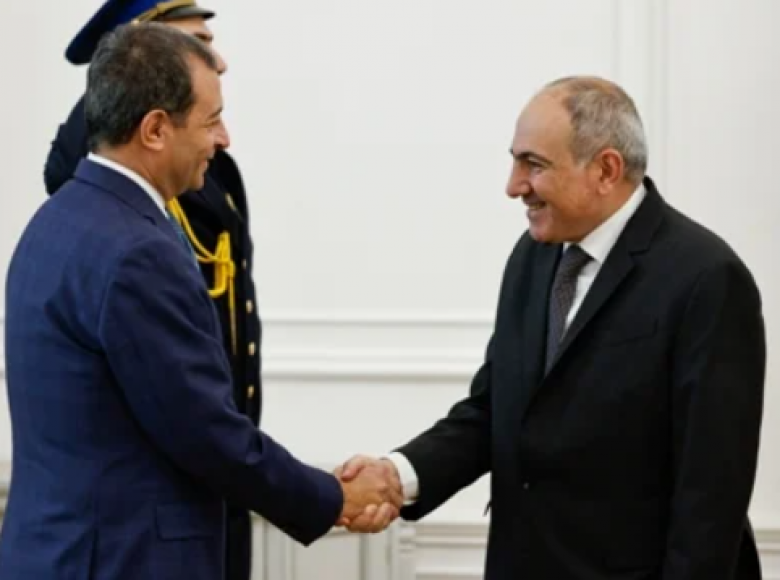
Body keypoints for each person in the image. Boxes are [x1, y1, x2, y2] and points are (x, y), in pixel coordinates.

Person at [0, 22, 401, 580]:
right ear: (155, 129)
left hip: (53, 553)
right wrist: (333, 497)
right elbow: (204, 430)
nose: (224, 139)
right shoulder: (137, 251)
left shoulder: (55, 220)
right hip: (125, 561)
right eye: (211, 121)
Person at [339, 76, 766, 579]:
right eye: (515, 161)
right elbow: (494, 410)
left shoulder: (706, 278)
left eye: (533, 164)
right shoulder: (533, 255)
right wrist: (398, 475)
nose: (513, 186)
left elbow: (710, 495)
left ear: (606, 169)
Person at [43, 2, 263, 578]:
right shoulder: (103, 194)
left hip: (214, 478)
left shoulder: (216, 173)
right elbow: (78, 152)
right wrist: (328, 498)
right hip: (143, 524)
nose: (217, 59)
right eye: (195, 43)